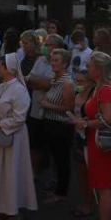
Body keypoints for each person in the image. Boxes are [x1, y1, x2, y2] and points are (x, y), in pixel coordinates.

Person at [0, 54, 38, 220]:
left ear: (8, 68)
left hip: (13, 136)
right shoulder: (1, 86)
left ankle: (13, 210)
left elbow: (19, 118)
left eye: (0, 66)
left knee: (11, 172)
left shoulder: (19, 90)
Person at [73, 51, 111, 220]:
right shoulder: (104, 87)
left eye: (89, 66)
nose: (86, 68)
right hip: (102, 143)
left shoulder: (104, 90)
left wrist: (85, 123)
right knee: (110, 188)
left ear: (99, 69)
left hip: (103, 144)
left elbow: (108, 118)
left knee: (105, 189)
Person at [39, 48, 75, 203]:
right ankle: (57, 188)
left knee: (62, 161)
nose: (52, 63)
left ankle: (61, 193)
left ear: (65, 64)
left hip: (61, 127)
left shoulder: (67, 83)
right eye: (52, 60)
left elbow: (69, 107)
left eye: (56, 60)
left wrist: (46, 104)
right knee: (56, 160)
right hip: (51, 125)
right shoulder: (55, 79)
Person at [20, 30, 53, 175]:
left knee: (40, 138)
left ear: (34, 43)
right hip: (27, 99)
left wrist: (31, 81)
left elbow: (45, 83)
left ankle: (40, 168)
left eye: (26, 43)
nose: (24, 46)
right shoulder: (25, 58)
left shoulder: (40, 58)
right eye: (22, 43)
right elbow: (27, 78)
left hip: (40, 100)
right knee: (32, 135)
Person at [70, 69, 95, 219]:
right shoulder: (77, 95)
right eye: (76, 81)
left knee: (90, 173)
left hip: (90, 139)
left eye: (81, 81)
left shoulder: (93, 99)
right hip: (78, 137)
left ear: (90, 83)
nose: (78, 84)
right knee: (80, 172)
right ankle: (86, 201)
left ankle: (90, 204)